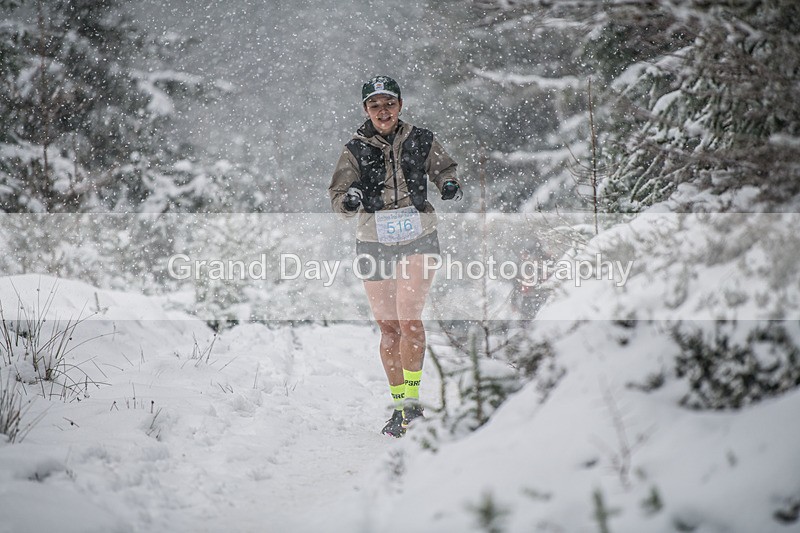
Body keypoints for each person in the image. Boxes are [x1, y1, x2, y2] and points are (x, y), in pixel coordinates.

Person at [329, 75, 461, 437]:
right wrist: (349, 200)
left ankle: (413, 405)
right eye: (375, 105)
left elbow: (444, 168)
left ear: (400, 106)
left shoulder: (422, 139)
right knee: (388, 328)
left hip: (419, 234)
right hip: (373, 239)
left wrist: (448, 184)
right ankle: (400, 406)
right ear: (366, 110)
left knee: (409, 321)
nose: (383, 111)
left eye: (389, 104)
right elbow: (338, 198)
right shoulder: (354, 150)